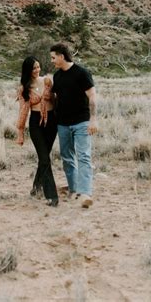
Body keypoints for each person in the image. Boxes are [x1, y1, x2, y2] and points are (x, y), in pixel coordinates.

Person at [50, 43, 97, 209]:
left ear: (62, 56)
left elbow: (92, 96)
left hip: (82, 121)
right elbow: (55, 98)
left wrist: (93, 120)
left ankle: (85, 193)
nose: (52, 60)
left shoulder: (82, 73)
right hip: (63, 123)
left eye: (53, 57)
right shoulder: (57, 77)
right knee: (67, 156)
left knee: (83, 156)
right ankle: (74, 189)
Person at [16, 56, 59, 207]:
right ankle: (52, 196)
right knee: (45, 158)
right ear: (27, 70)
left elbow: (55, 100)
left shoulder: (47, 81)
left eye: (38, 67)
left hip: (51, 122)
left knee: (44, 158)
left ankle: (36, 188)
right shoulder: (24, 88)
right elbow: (23, 111)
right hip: (35, 124)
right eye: (33, 68)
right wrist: (20, 133)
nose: (36, 70)